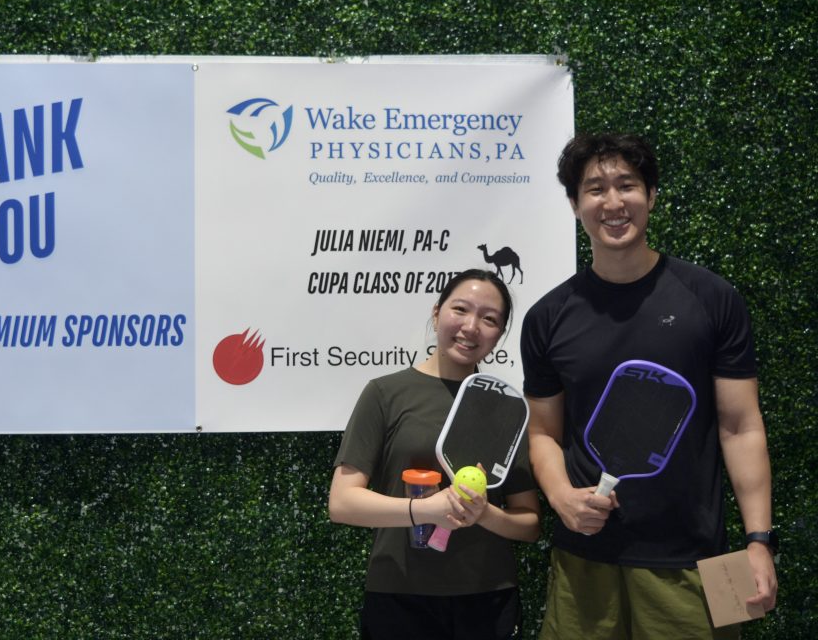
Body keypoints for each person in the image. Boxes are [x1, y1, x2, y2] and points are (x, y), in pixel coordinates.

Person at [520, 133, 778, 639]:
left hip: (695, 560)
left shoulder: (712, 298)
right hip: (583, 563)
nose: (613, 202)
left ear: (652, 195)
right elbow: (543, 434)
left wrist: (759, 540)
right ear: (575, 205)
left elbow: (740, 426)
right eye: (595, 189)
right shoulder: (547, 318)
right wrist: (561, 497)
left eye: (627, 185)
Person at [330, 269, 541, 640]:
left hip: (487, 599)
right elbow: (343, 503)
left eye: (489, 319)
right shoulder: (385, 394)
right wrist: (424, 511)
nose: (471, 326)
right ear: (436, 313)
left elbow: (528, 524)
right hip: (399, 595)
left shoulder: (507, 409)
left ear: (500, 334)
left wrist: (484, 513)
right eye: (460, 309)